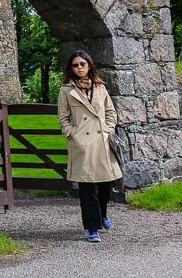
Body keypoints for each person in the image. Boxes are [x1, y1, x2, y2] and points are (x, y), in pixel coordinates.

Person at [57, 50, 122, 243]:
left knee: (106, 185)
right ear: (71, 68)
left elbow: (111, 112)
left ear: (89, 65)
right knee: (87, 189)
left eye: (82, 64)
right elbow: (63, 118)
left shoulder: (100, 87)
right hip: (83, 145)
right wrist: (72, 134)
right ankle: (92, 228)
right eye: (75, 65)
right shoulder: (65, 91)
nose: (79, 68)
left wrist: (108, 130)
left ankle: (102, 213)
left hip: (102, 142)